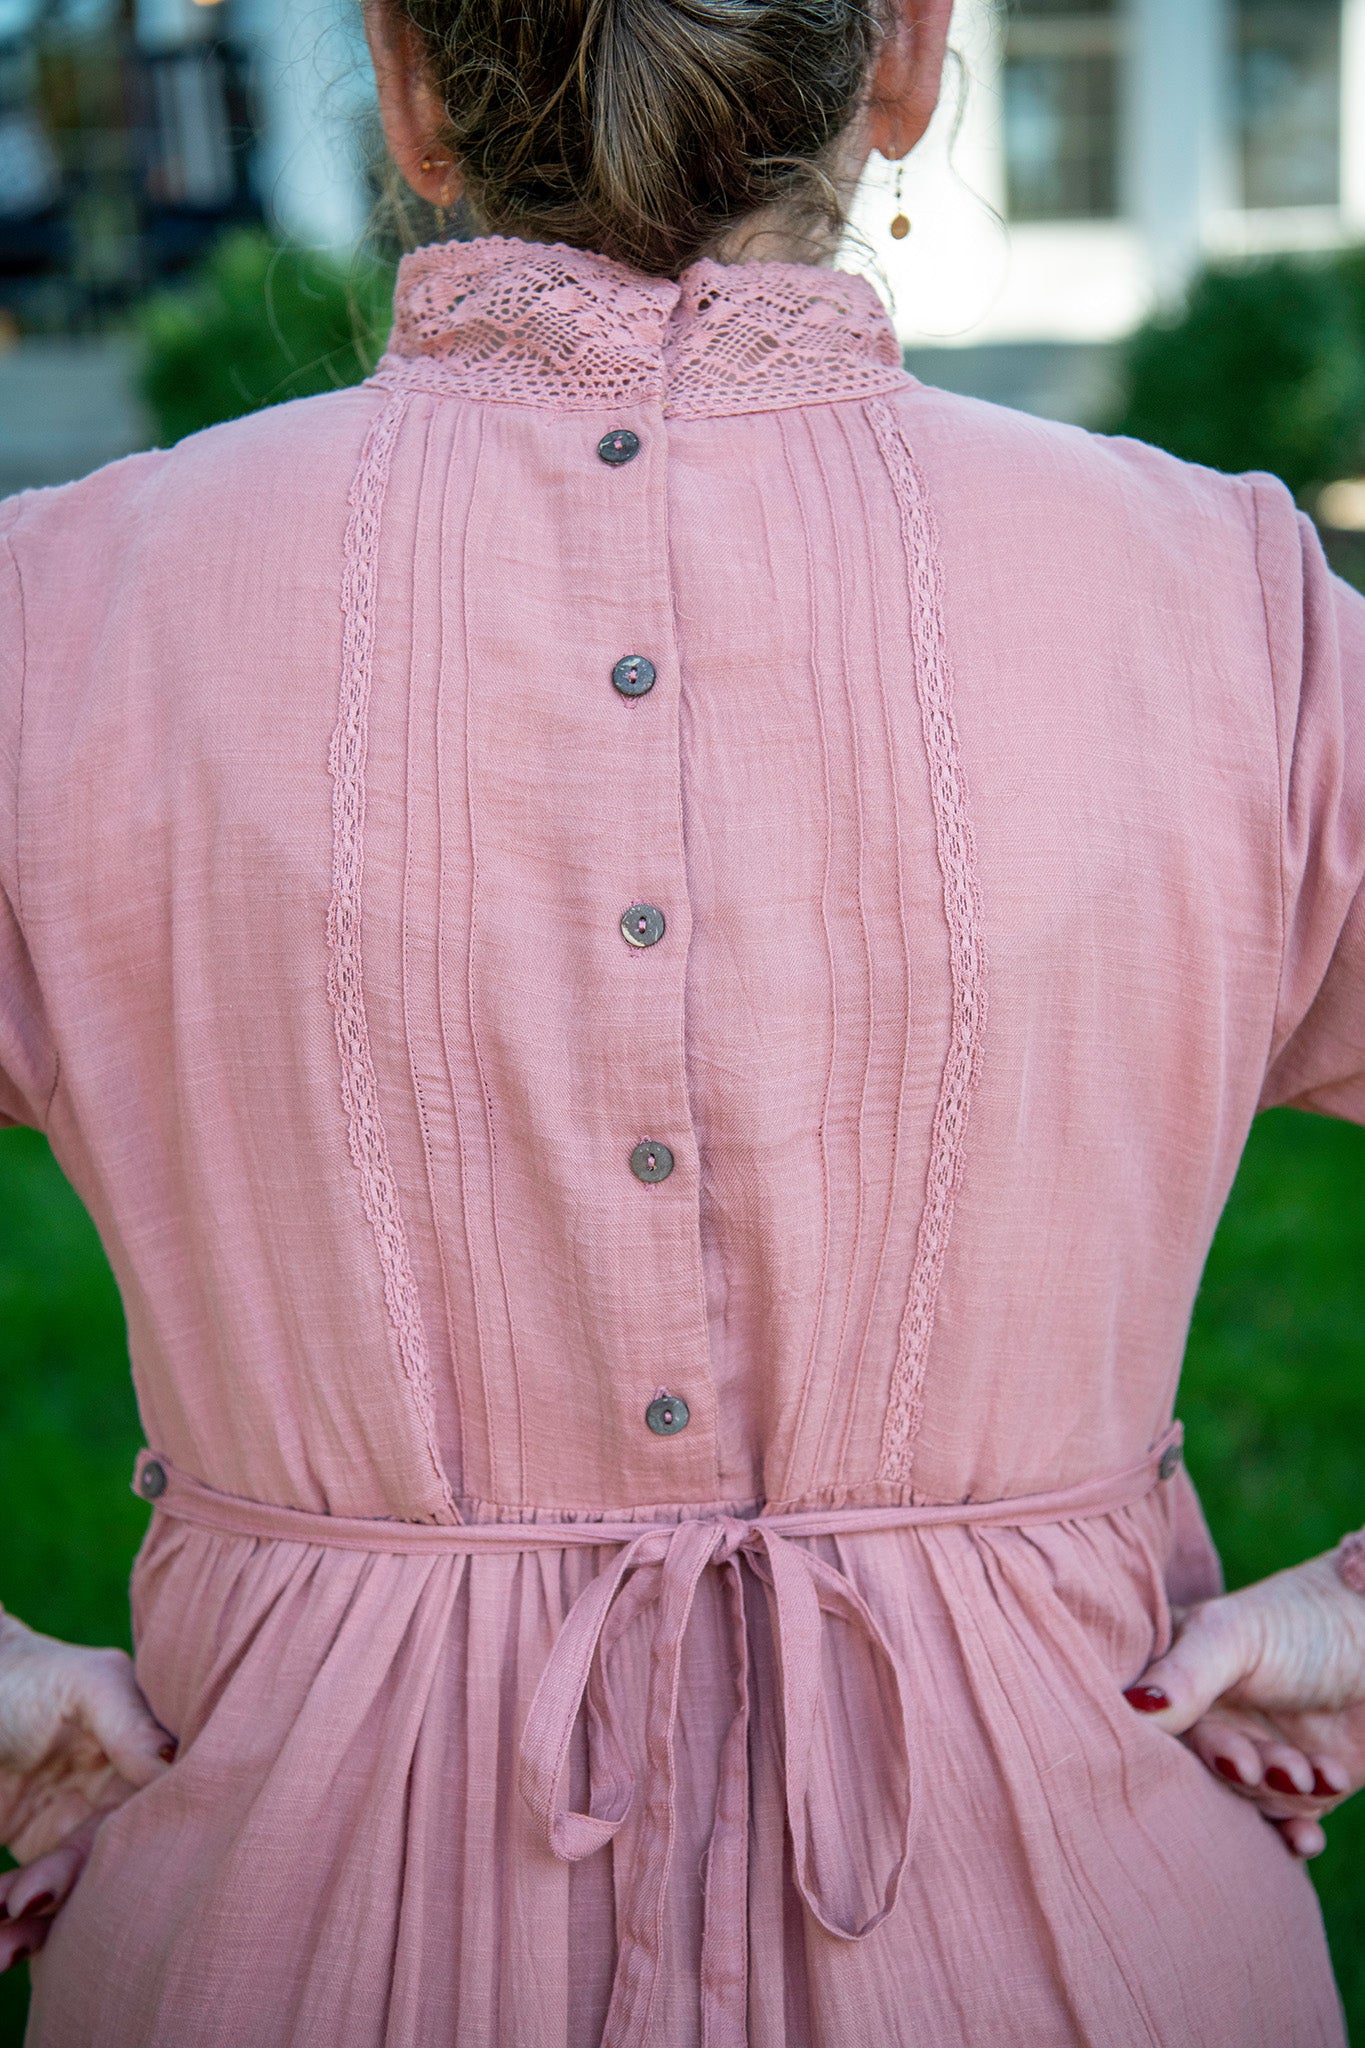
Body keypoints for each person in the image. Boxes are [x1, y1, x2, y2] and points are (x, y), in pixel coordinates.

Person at [0, 1, 1362, 2040]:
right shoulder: (1227, 604)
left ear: (406, 81)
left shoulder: (67, 617)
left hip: (288, 1926)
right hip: (1080, 1932)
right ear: (902, 58)